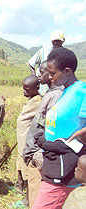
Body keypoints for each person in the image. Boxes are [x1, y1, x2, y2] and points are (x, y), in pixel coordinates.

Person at [33, 47, 86, 209]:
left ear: (67, 71)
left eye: (53, 73)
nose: (49, 77)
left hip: (64, 168)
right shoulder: (66, 91)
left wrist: (79, 135)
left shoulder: (81, 93)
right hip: (52, 162)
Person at [23, 61, 63, 206]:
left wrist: (38, 150)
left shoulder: (56, 95)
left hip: (38, 154)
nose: (39, 75)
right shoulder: (49, 93)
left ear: (53, 74)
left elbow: (49, 127)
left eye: (42, 72)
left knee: (37, 198)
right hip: (34, 152)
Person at [16, 75, 42, 206]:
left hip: (29, 143)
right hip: (22, 141)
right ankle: (20, 189)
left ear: (36, 88)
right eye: (23, 88)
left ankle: (27, 199)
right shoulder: (31, 99)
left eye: (27, 89)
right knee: (21, 167)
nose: (24, 92)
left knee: (29, 172)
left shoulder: (38, 102)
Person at [28, 30, 65, 96]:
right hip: (42, 87)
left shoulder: (64, 54)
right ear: (51, 41)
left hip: (55, 87)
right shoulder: (44, 51)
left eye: (58, 41)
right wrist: (35, 78)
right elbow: (31, 63)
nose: (56, 43)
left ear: (62, 41)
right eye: (54, 41)